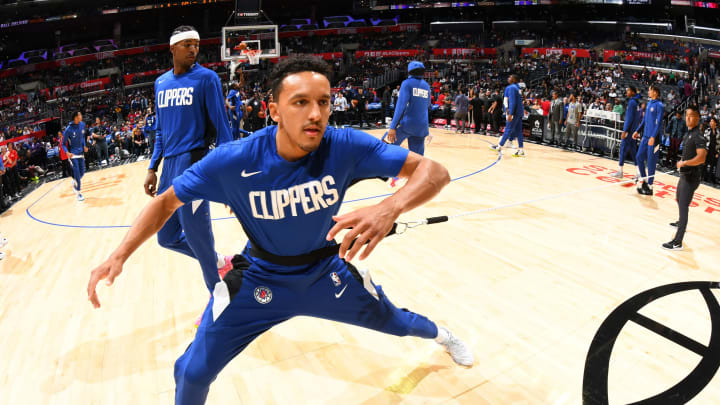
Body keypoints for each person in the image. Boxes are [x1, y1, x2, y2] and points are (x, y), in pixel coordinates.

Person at [87, 55, 474, 405]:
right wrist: (118, 255)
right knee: (191, 371)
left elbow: (434, 172)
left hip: (326, 273)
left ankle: (444, 335)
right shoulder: (233, 161)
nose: (316, 114)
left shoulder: (344, 146)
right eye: (301, 102)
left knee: (398, 323)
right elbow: (164, 202)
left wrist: (389, 206)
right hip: (260, 278)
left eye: (323, 102)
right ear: (274, 110)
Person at [144, 25, 233, 301]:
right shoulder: (161, 83)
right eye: (187, 45)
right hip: (169, 167)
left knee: (198, 238)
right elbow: (160, 130)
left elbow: (222, 126)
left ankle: (218, 301)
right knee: (166, 237)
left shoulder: (207, 79)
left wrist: (229, 176)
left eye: (196, 44)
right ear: (172, 48)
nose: (194, 49)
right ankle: (218, 261)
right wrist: (152, 167)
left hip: (194, 165)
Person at [664, 105, 707, 250]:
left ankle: (677, 242)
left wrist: (684, 163)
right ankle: (681, 222)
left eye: (691, 115)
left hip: (691, 176)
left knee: (683, 206)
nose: (688, 118)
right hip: (684, 174)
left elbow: (701, 158)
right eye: (686, 115)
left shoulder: (698, 136)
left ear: (698, 118)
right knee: (678, 197)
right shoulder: (688, 133)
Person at [387, 61, 432, 156]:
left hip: (408, 124)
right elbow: (428, 106)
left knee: (385, 146)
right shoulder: (427, 86)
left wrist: (393, 127)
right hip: (422, 127)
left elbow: (400, 106)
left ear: (409, 71)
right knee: (417, 159)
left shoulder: (407, 83)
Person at [631, 84, 664, 196]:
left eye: (650, 90)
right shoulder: (649, 103)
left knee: (651, 162)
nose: (648, 92)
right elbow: (644, 120)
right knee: (639, 157)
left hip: (653, 139)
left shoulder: (660, 105)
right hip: (645, 137)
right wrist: (637, 131)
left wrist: (653, 137)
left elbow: (659, 123)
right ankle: (644, 180)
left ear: (655, 91)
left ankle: (650, 186)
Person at [489, 74, 525, 157]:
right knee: (519, 132)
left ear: (514, 79)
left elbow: (513, 102)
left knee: (508, 129)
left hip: (514, 112)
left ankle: (499, 146)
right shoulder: (518, 88)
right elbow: (521, 99)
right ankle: (521, 150)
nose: (508, 78)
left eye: (510, 77)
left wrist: (510, 113)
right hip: (519, 112)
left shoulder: (511, 87)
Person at [612, 86, 642, 178]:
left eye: (628, 90)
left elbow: (629, 118)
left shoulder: (632, 102)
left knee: (623, 149)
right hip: (633, 130)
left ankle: (620, 171)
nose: (626, 92)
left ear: (632, 92)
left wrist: (625, 130)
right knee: (633, 151)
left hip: (629, 131)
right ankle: (638, 172)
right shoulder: (636, 102)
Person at [62, 111, 88, 202]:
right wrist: (67, 152)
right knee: (77, 172)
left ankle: (74, 181)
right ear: (75, 117)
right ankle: (78, 193)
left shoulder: (82, 124)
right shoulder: (68, 129)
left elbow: (83, 137)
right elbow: (63, 144)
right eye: (80, 115)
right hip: (73, 154)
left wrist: (84, 145)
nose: (81, 116)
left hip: (81, 153)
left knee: (82, 173)